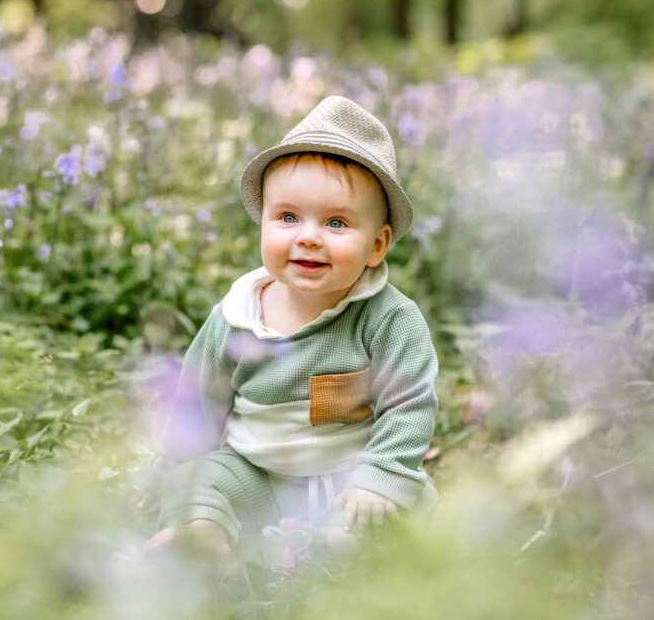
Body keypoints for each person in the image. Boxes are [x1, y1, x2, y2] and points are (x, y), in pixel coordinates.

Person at [144, 96, 439, 556]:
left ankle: (324, 546)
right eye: (287, 217)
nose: (307, 236)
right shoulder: (238, 315)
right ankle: (202, 535)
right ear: (262, 223)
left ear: (377, 245)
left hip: (351, 483)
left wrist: (379, 480)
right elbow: (199, 400)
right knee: (196, 483)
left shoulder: (389, 320)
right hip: (255, 476)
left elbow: (410, 406)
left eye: (336, 222)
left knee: (414, 499)